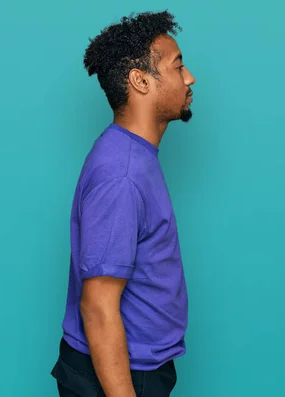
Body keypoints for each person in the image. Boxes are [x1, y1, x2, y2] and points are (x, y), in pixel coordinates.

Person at [50, 10, 196, 397]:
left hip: (139, 367)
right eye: (178, 66)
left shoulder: (134, 155)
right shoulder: (122, 175)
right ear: (140, 81)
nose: (190, 77)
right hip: (120, 377)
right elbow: (97, 307)